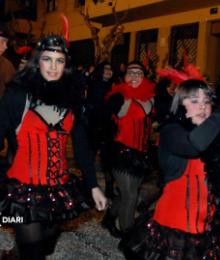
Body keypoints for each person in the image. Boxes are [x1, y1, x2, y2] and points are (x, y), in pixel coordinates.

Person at [119, 65, 220, 259]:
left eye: (206, 100)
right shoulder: (171, 132)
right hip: (172, 233)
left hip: (208, 233)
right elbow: (195, 145)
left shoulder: (216, 137)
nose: (202, 106)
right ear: (180, 105)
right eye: (194, 100)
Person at [0, 35, 107, 260]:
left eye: (59, 61)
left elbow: (81, 148)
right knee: (34, 251)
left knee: (46, 244)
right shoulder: (18, 95)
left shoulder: (71, 100)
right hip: (23, 190)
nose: (53, 66)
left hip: (58, 189)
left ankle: (14, 255)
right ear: (37, 61)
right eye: (47, 59)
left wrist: (93, 185)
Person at [101, 61, 155, 238]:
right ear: (124, 77)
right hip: (120, 152)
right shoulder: (120, 96)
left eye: (138, 72)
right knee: (130, 196)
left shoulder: (151, 98)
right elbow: (105, 115)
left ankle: (109, 219)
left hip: (141, 153)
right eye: (130, 72)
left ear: (144, 76)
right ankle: (129, 239)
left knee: (127, 194)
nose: (134, 75)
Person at [84, 61, 115, 199]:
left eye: (110, 69)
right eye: (105, 69)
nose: (108, 72)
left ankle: (109, 188)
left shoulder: (114, 86)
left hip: (108, 128)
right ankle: (88, 187)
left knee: (108, 160)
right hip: (94, 127)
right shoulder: (93, 85)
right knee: (89, 158)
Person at [0, 22, 15, 97]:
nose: (6, 47)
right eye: (3, 41)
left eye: (6, 43)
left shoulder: (6, 65)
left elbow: (14, 87)